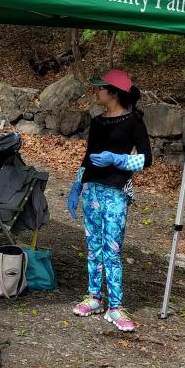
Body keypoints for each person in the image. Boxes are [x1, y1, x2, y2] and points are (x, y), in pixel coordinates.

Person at [66, 69, 152, 332]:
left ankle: (116, 306)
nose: (97, 92)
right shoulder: (97, 121)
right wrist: (77, 185)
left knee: (112, 248)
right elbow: (87, 156)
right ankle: (94, 297)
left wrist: (118, 159)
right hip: (92, 188)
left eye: (101, 88)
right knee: (93, 245)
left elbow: (147, 159)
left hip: (116, 190)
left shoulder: (134, 122)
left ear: (113, 93)